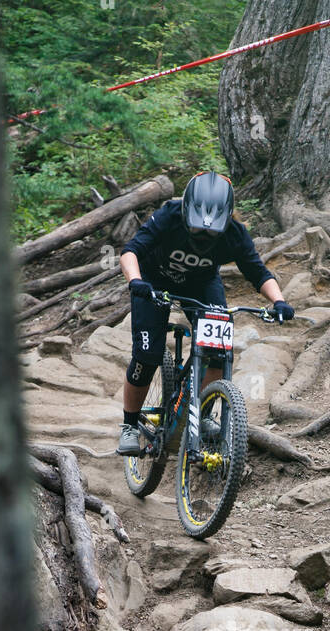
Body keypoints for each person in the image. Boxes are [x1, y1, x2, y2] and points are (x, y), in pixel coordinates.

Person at [117, 170, 294, 455]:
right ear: (186, 211)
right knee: (147, 356)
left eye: (211, 232)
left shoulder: (235, 234)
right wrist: (136, 282)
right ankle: (129, 425)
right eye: (197, 229)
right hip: (153, 281)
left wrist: (279, 301)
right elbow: (130, 252)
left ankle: (203, 412)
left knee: (218, 351)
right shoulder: (169, 215)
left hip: (201, 285)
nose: (203, 236)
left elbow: (257, 272)